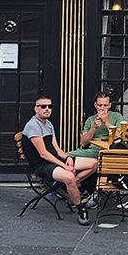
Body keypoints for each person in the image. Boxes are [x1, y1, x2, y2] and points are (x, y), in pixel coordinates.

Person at [22, 93, 91, 226]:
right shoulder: (33, 126)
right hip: (42, 165)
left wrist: (68, 157)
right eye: (43, 106)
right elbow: (43, 154)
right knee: (69, 177)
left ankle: (70, 190)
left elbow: (57, 149)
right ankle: (80, 208)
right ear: (36, 109)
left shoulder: (48, 124)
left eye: (50, 106)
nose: (47, 109)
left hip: (54, 160)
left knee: (94, 163)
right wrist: (65, 167)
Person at [66, 91, 121, 202]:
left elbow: (120, 138)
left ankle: (73, 184)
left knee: (68, 155)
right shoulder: (91, 120)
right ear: (95, 105)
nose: (102, 108)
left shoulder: (116, 116)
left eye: (105, 105)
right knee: (67, 156)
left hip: (109, 151)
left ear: (110, 105)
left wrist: (106, 122)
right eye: (100, 105)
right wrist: (94, 128)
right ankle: (73, 184)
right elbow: (83, 143)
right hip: (92, 151)